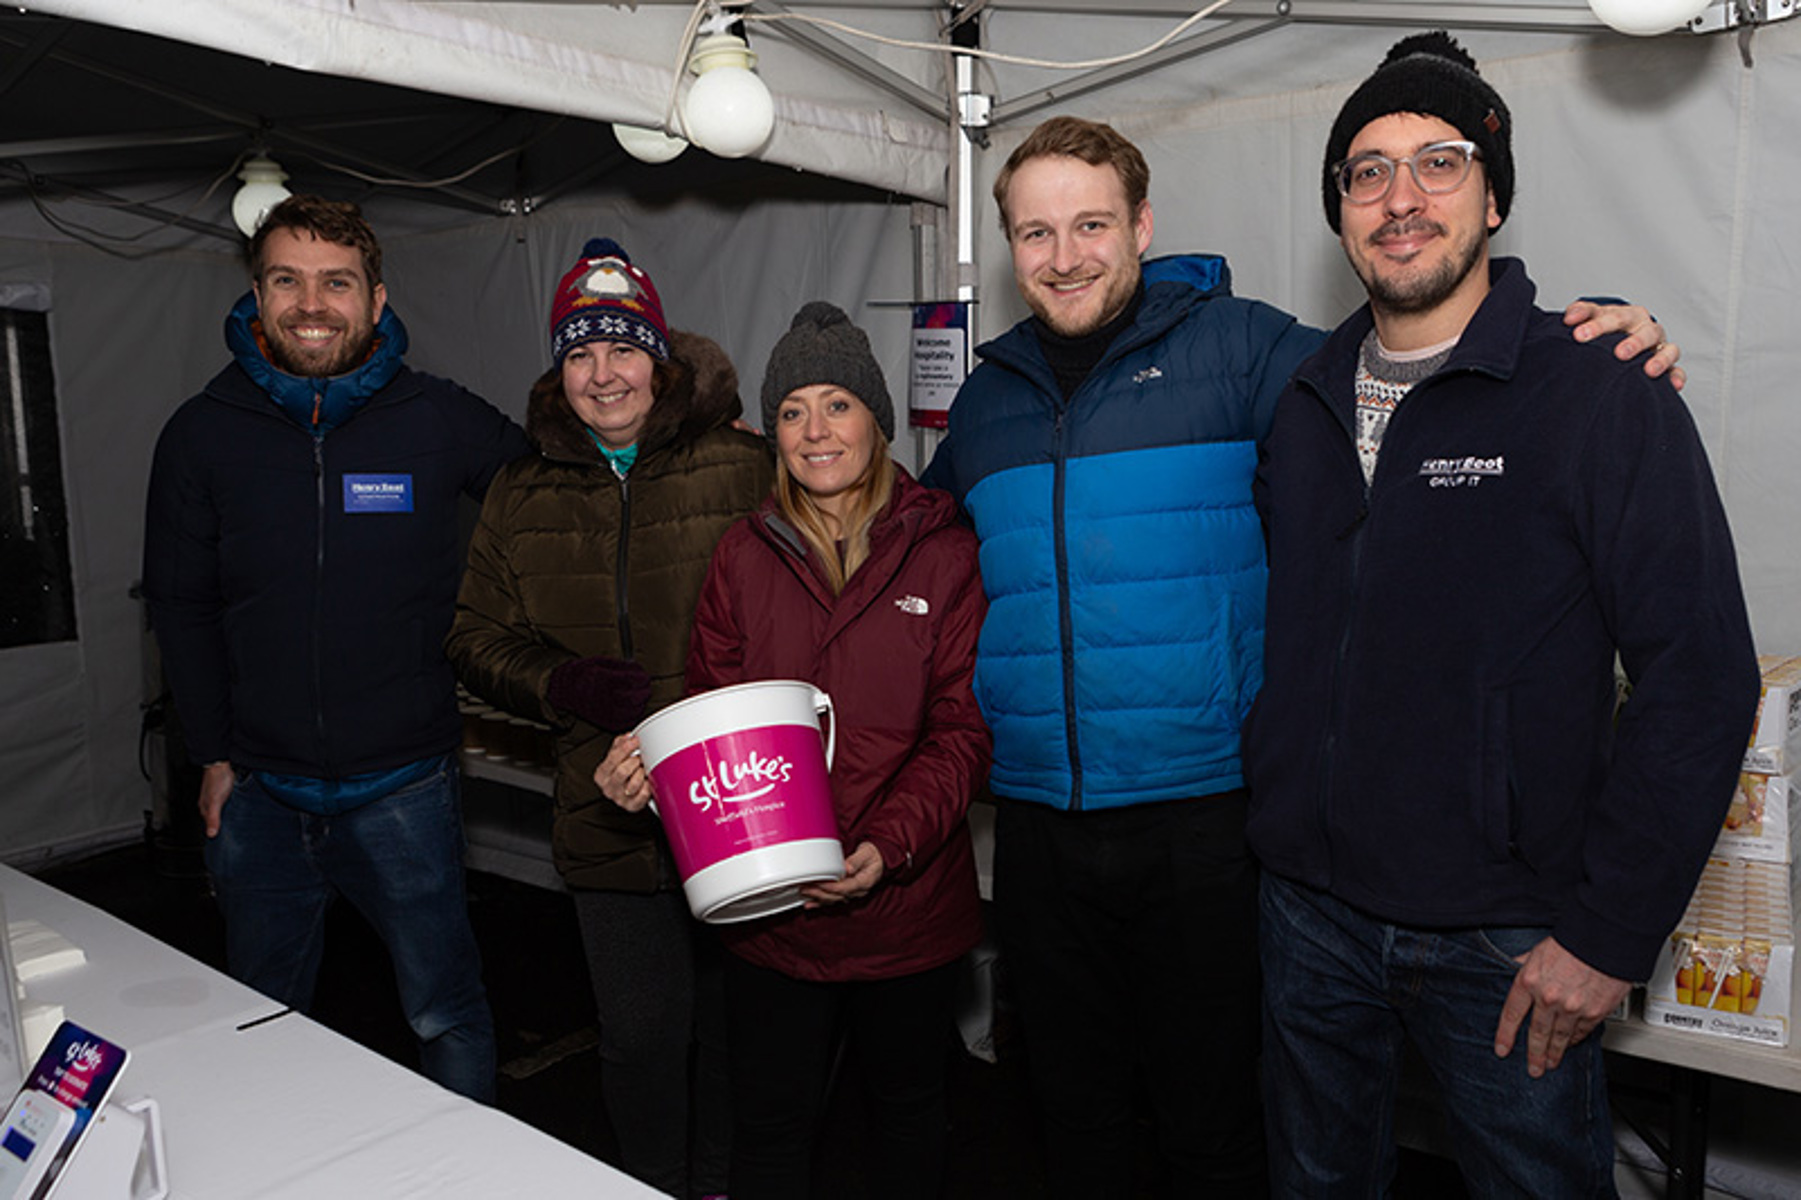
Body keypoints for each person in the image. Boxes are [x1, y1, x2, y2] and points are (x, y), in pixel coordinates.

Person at [919, 114, 1683, 1196]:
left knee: (1216, 1123)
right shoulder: (986, 401)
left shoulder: (1246, 351)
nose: (1065, 254)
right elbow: (914, 539)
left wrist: (1591, 335)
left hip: (1206, 821)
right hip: (1042, 823)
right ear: (1008, 248)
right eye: (1035, 233)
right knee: (1072, 1113)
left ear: (1141, 226)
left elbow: (1419, 354)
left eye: (1091, 224)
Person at [1244, 32, 1760, 1195]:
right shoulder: (1300, 404)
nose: (1401, 198)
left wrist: (1609, 935)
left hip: (1507, 938)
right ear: (1338, 212)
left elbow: (1700, 677)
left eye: (1439, 162)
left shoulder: (1597, 389)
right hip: (1306, 914)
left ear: (1492, 199)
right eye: (1367, 172)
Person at [596, 301, 990, 1200]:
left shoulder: (944, 553)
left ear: (876, 420)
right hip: (775, 916)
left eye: (837, 405)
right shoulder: (742, 556)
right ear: (770, 433)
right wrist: (653, 775)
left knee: (908, 1121)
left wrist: (885, 845)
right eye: (791, 411)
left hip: (905, 912)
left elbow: (962, 731)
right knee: (770, 1131)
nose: (816, 431)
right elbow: (714, 719)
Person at [142, 194, 524, 1102]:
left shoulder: (437, 417)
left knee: (444, 1014)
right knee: (260, 1017)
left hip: (405, 788)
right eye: (288, 280)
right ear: (256, 294)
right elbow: (180, 605)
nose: (311, 304)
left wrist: (683, 446)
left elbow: (562, 493)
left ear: (377, 300)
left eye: (336, 283)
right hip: (259, 797)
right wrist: (213, 754)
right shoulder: (201, 432)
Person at [447, 237, 771, 1199]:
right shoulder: (520, 491)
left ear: (658, 359)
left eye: (623, 348)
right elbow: (473, 637)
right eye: (580, 353)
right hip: (604, 811)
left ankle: (720, 1182)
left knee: (737, 1029)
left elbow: (806, 606)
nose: (602, 374)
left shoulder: (741, 466)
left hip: (735, 799)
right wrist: (564, 685)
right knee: (638, 1036)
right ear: (558, 370)